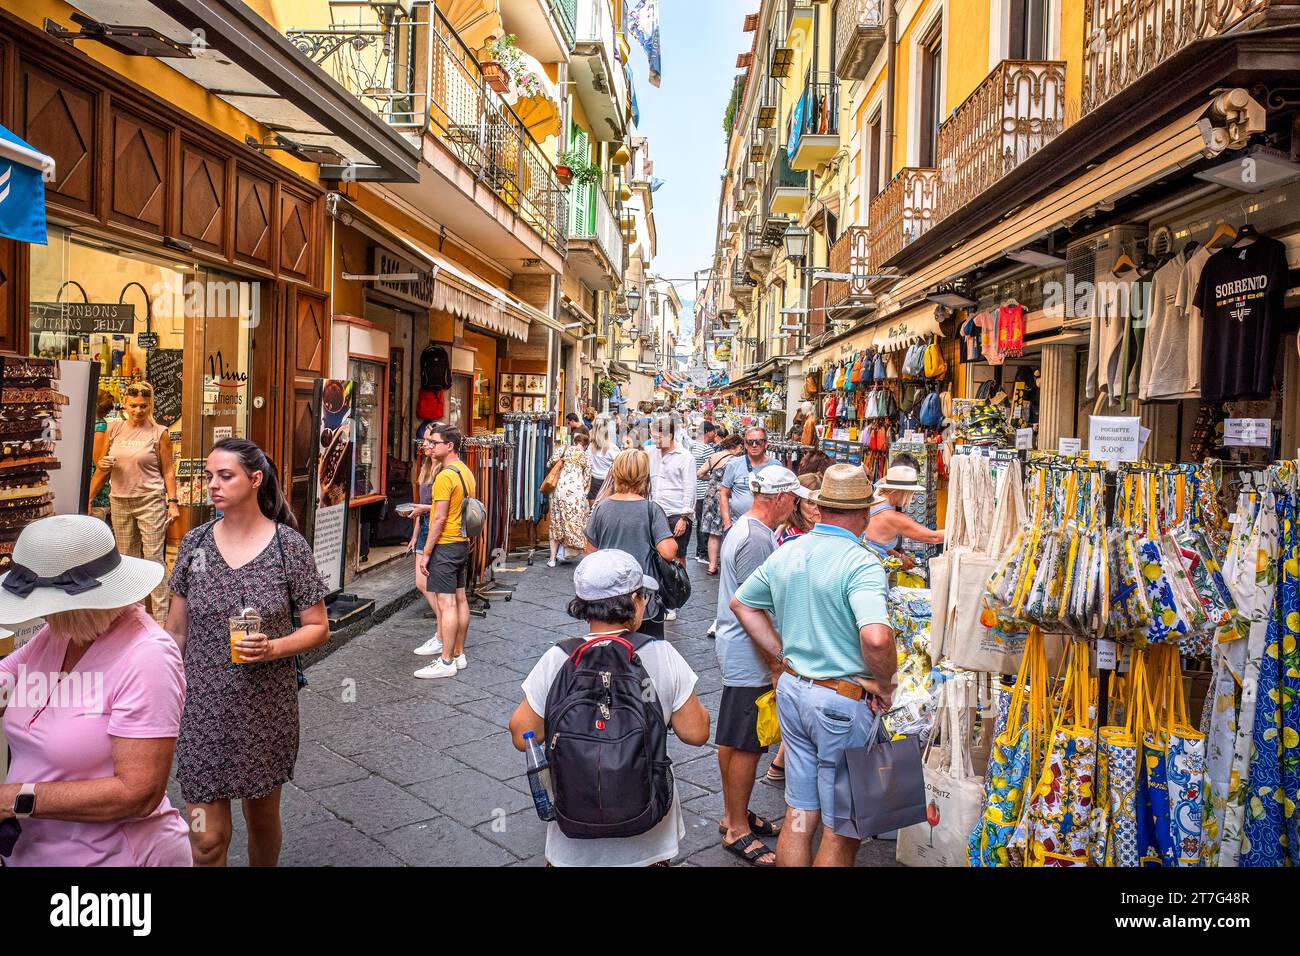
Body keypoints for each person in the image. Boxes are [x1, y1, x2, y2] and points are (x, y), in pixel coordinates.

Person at [164, 438, 330, 866]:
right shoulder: (194, 545)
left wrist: (273, 646)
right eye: (209, 477)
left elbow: (317, 628)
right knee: (206, 840)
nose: (213, 485)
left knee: (261, 818)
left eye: (225, 475)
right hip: (202, 710)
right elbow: (176, 631)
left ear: (255, 480)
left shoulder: (287, 547)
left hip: (264, 709)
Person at [0, 514, 190, 866]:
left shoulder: (147, 656)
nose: (42, 617)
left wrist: (15, 798)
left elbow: (137, 793)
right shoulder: (59, 635)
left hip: (115, 860)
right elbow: (6, 680)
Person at [730, 464, 896, 867]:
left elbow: (742, 604)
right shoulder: (862, 562)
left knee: (800, 815)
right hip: (839, 702)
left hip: (793, 692)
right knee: (842, 828)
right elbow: (876, 637)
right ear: (861, 513)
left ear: (822, 508)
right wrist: (886, 684)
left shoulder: (790, 549)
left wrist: (782, 655)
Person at [508, 550, 710, 866]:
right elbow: (696, 733)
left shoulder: (559, 658)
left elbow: (522, 735)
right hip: (649, 839)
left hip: (572, 843)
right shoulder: (662, 655)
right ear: (634, 600)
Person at [714, 466, 804, 866]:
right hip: (748, 655)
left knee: (736, 738)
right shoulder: (755, 539)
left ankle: (733, 814)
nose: (798, 505)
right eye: (795, 498)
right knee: (748, 742)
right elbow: (754, 609)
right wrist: (775, 663)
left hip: (739, 651)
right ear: (780, 498)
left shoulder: (752, 531)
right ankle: (737, 829)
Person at [87, 381, 180, 622]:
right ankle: (133, 618)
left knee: (153, 560)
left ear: (150, 405)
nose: (138, 410)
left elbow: (168, 470)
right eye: (133, 405)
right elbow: (103, 466)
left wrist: (173, 502)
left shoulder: (159, 432)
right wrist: (87, 497)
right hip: (119, 500)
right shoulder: (114, 429)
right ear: (125, 405)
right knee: (127, 560)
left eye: (143, 406)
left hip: (150, 500)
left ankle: (161, 621)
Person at [584, 450, 677, 638]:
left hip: (608, 595)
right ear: (644, 475)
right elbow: (668, 552)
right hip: (642, 598)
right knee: (647, 652)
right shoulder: (651, 509)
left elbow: (590, 553)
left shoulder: (602, 508)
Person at [413, 424, 477, 679]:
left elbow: (439, 519)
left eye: (435, 442)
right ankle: (459, 654)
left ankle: (446, 661)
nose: (430, 446)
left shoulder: (445, 476)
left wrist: (427, 551)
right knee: (461, 599)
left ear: (448, 446)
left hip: (447, 544)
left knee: (446, 602)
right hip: (461, 542)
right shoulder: (465, 472)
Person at [647, 417, 696, 624]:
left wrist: (685, 517)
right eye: (652, 436)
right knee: (654, 555)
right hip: (654, 510)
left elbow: (689, 488)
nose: (654, 440)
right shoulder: (651, 454)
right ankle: (656, 596)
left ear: (669, 435)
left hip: (676, 513)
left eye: (657, 437)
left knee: (677, 558)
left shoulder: (685, 457)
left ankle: (674, 600)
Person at [864, 458, 944, 568]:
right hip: (873, 569)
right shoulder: (894, 517)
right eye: (911, 493)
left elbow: (876, 544)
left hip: (869, 563)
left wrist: (899, 557)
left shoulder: (876, 500)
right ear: (901, 491)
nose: (912, 497)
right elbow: (934, 537)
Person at [409, 432, 445, 650]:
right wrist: (414, 535)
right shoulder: (425, 469)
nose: (425, 444)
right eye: (425, 441)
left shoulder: (444, 472)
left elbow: (445, 509)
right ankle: (442, 630)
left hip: (435, 530)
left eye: (429, 441)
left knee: (428, 584)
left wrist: (423, 510)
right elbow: (420, 505)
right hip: (423, 528)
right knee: (422, 583)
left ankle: (443, 632)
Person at [719, 426, 780, 533]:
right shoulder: (734, 464)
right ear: (745, 445)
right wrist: (727, 523)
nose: (754, 445)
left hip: (767, 526)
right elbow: (723, 494)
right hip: (738, 525)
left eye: (759, 441)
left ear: (766, 444)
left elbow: (782, 495)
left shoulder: (776, 465)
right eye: (750, 442)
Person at [697, 435, 743, 576]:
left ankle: (712, 565)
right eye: (740, 446)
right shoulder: (735, 461)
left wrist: (712, 479)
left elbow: (699, 473)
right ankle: (729, 565)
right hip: (726, 497)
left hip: (711, 496)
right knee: (728, 530)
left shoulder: (714, 456)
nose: (742, 450)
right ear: (735, 446)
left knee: (713, 532)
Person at [547, 431, 592, 568]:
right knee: (575, 522)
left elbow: (549, 464)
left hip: (559, 492)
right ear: (585, 446)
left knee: (556, 522)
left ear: (575, 441)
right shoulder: (585, 456)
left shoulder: (564, 449)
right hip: (575, 494)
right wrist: (583, 494)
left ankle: (552, 559)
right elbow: (587, 478)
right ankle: (580, 554)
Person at [689, 421, 719, 564]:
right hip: (704, 490)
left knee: (701, 521)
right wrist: (711, 478)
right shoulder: (707, 449)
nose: (716, 435)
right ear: (708, 432)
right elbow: (712, 471)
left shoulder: (693, 446)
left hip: (696, 490)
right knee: (706, 522)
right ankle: (703, 553)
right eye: (714, 431)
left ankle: (699, 552)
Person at [88, 388, 115, 522]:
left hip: (96, 500)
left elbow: (101, 469)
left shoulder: (99, 428)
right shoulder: (94, 425)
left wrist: (89, 497)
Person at [776, 473, 822, 546]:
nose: (818, 507)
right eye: (811, 502)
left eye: (821, 502)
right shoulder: (794, 540)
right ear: (795, 505)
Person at [588, 414, 617, 503]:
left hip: (593, 481)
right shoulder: (612, 448)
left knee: (593, 512)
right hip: (608, 482)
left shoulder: (590, 447)